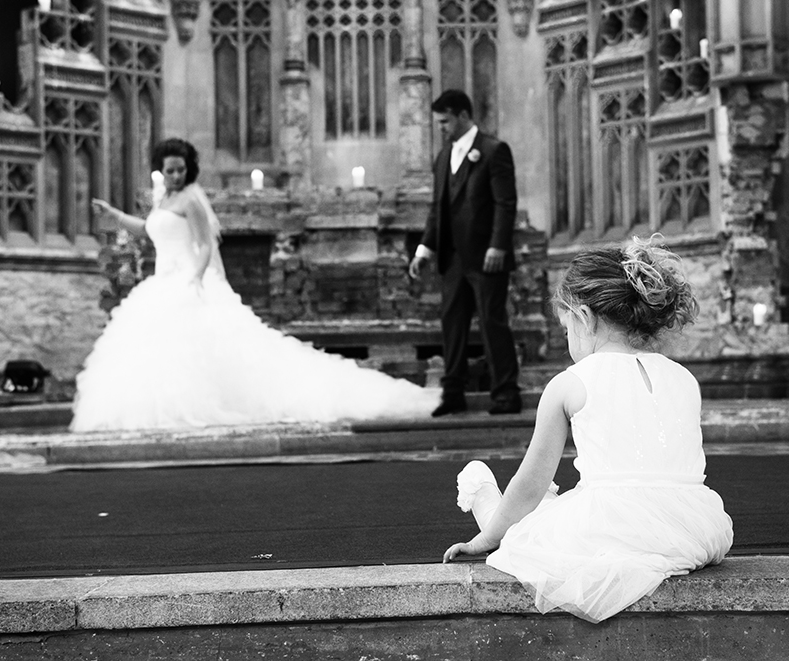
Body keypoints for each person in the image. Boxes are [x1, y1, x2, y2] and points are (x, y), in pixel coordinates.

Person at [442, 237, 734, 623]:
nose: (568, 342)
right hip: (694, 528)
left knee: (524, 530)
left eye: (567, 330)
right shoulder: (683, 377)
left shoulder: (570, 383)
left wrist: (487, 540)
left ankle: (485, 502)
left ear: (583, 317)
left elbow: (530, 484)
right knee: (558, 510)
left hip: (611, 528)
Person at [71, 137, 440, 431]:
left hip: (187, 279)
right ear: (161, 171)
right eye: (170, 171)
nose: (176, 176)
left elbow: (205, 245)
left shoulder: (191, 200)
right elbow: (149, 230)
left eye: (181, 170)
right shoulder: (163, 198)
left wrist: (195, 276)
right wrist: (115, 215)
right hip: (161, 283)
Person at [409, 89, 522, 417]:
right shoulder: (443, 157)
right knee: (452, 324)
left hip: (487, 256)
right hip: (453, 257)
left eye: (444, 121)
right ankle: (453, 393)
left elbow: (505, 203)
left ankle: (506, 393)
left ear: (462, 115)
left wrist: (498, 245)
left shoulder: (493, 150)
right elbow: (438, 208)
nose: (441, 128)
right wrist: (424, 250)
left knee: (492, 322)